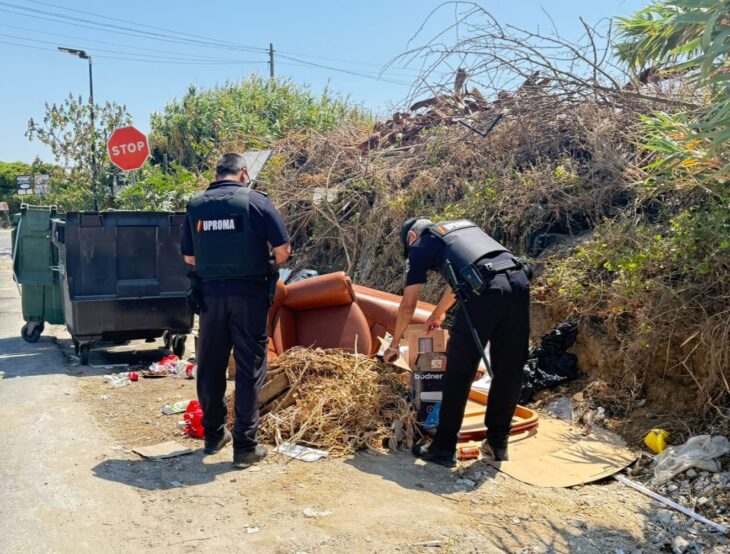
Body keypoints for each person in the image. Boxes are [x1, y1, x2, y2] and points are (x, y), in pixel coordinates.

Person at [384, 218, 530, 467]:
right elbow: (463, 278)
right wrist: (438, 313)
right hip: (519, 281)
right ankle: (497, 444)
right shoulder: (462, 228)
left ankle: (442, 448)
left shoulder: (420, 244)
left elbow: (408, 305)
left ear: (411, 237)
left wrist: (394, 344)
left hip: (484, 293)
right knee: (509, 370)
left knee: (459, 371)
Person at [181, 152, 291, 469]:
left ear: (217, 174)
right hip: (249, 297)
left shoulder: (196, 206)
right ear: (243, 173)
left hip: (210, 298)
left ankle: (214, 435)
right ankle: (245, 447)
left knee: (210, 366)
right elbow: (283, 251)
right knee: (248, 369)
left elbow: (189, 258)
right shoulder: (256, 202)